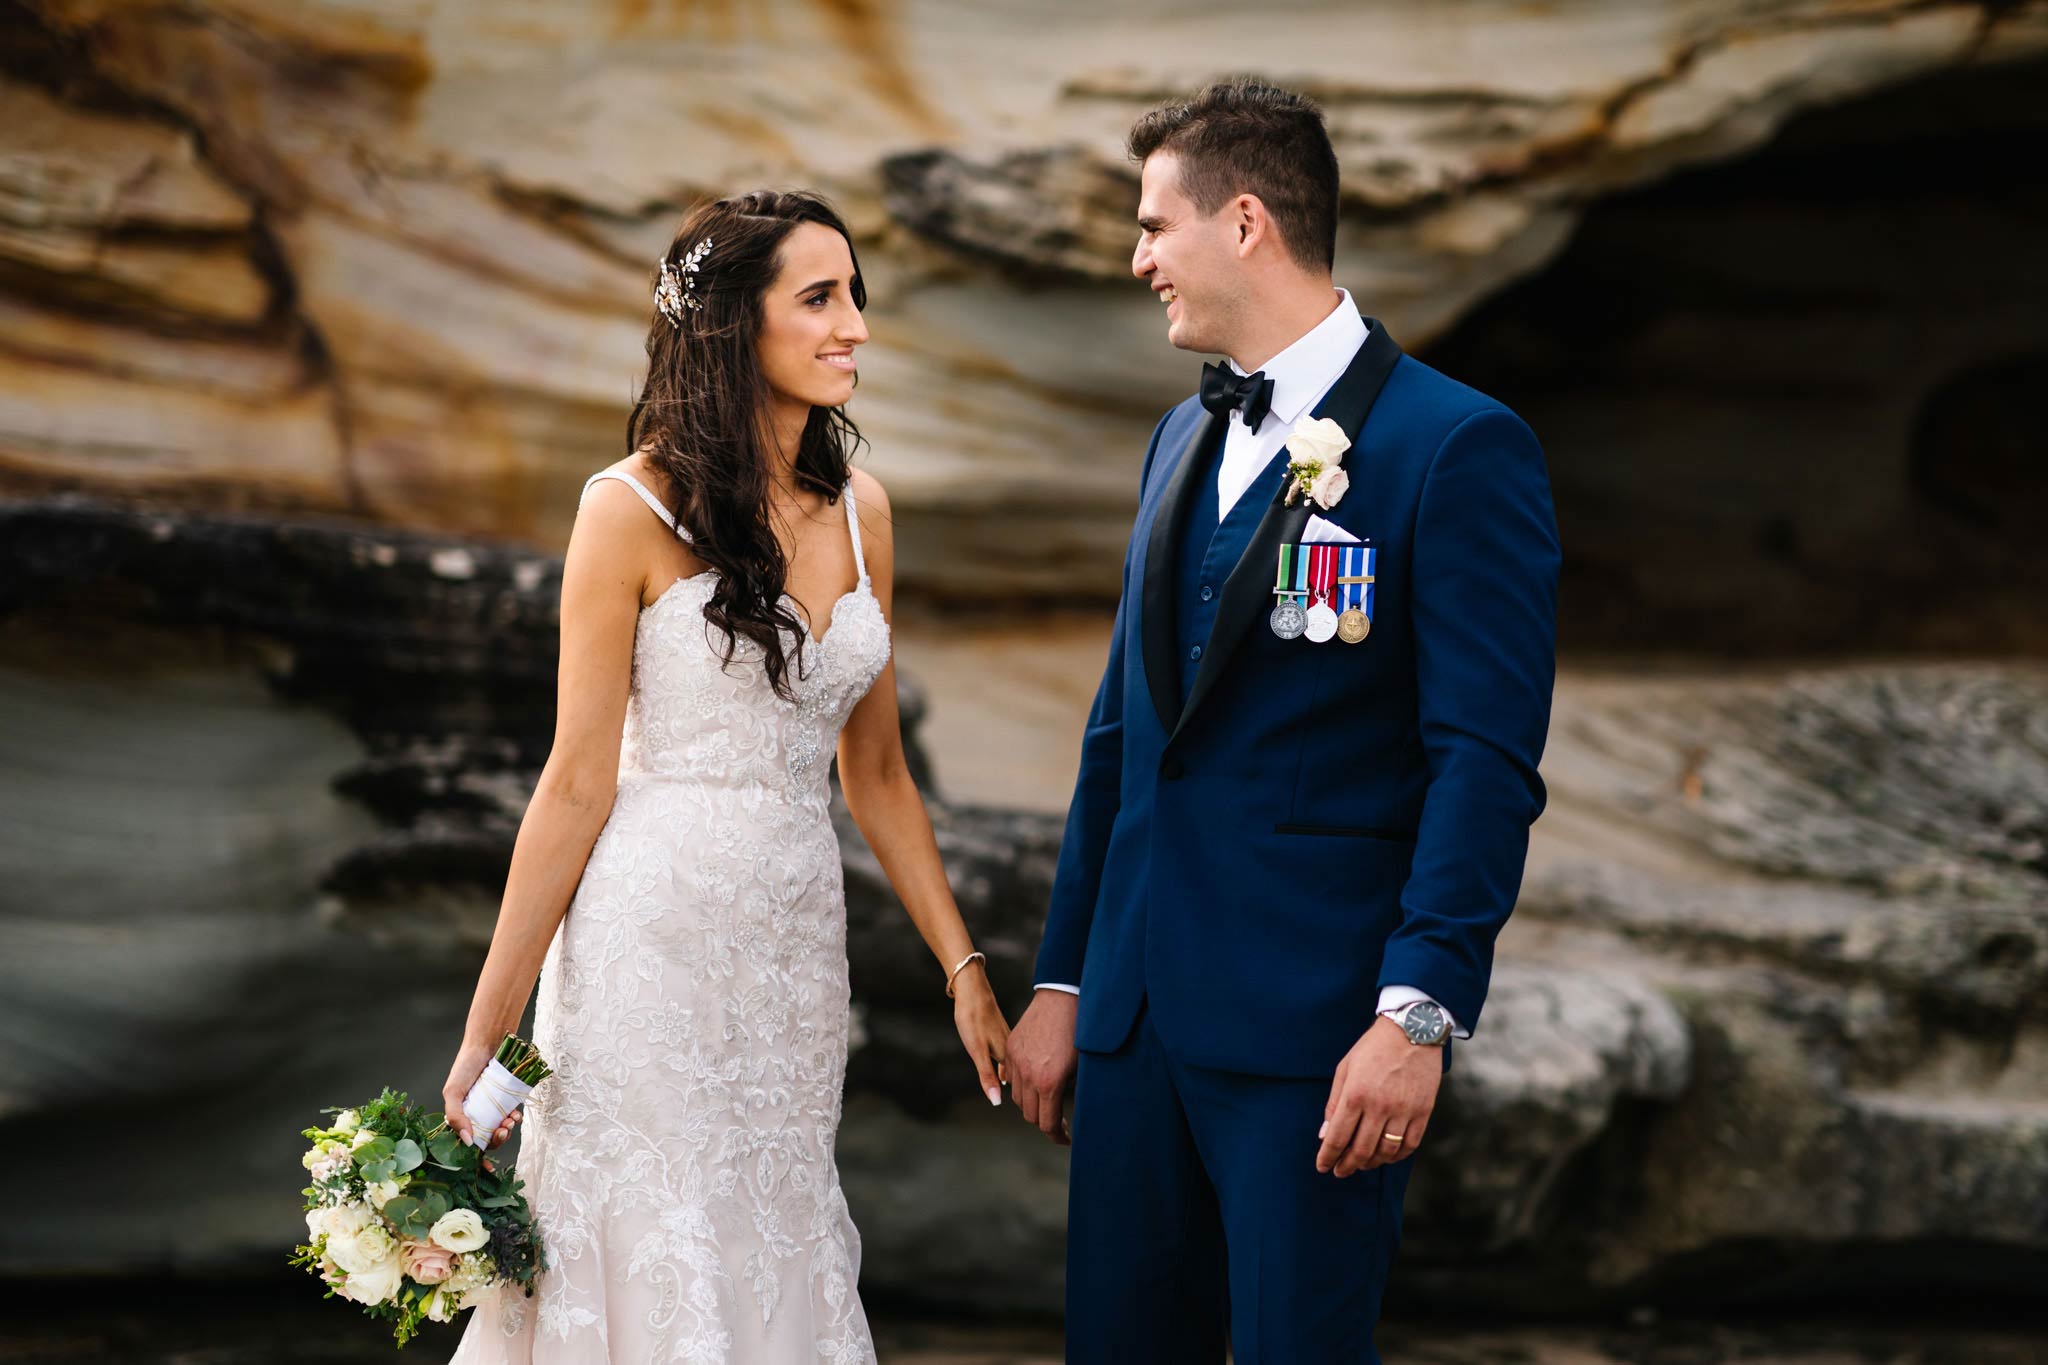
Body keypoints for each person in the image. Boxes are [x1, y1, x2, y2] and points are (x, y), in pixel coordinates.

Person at [1004, 79, 1560, 1363]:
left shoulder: (1457, 446)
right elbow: (1121, 739)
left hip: (1316, 1037)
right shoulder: (1169, 442)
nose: (1138, 257)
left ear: (1243, 222)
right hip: (1132, 1028)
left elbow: (1481, 763)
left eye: (1154, 225)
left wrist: (1413, 1013)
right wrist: (1063, 974)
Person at [440, 189, 1011, 1364]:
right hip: (645, 940)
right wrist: (488, 1031)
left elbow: (883, 775)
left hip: (796, 946)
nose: (853, 324)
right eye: (818, 298)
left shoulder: (865, 515)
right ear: (730, 328)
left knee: (776, 1217)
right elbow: (572, 786)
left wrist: (963, 969)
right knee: (650, 1227)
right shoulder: (627, 509)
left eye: (856, 294)